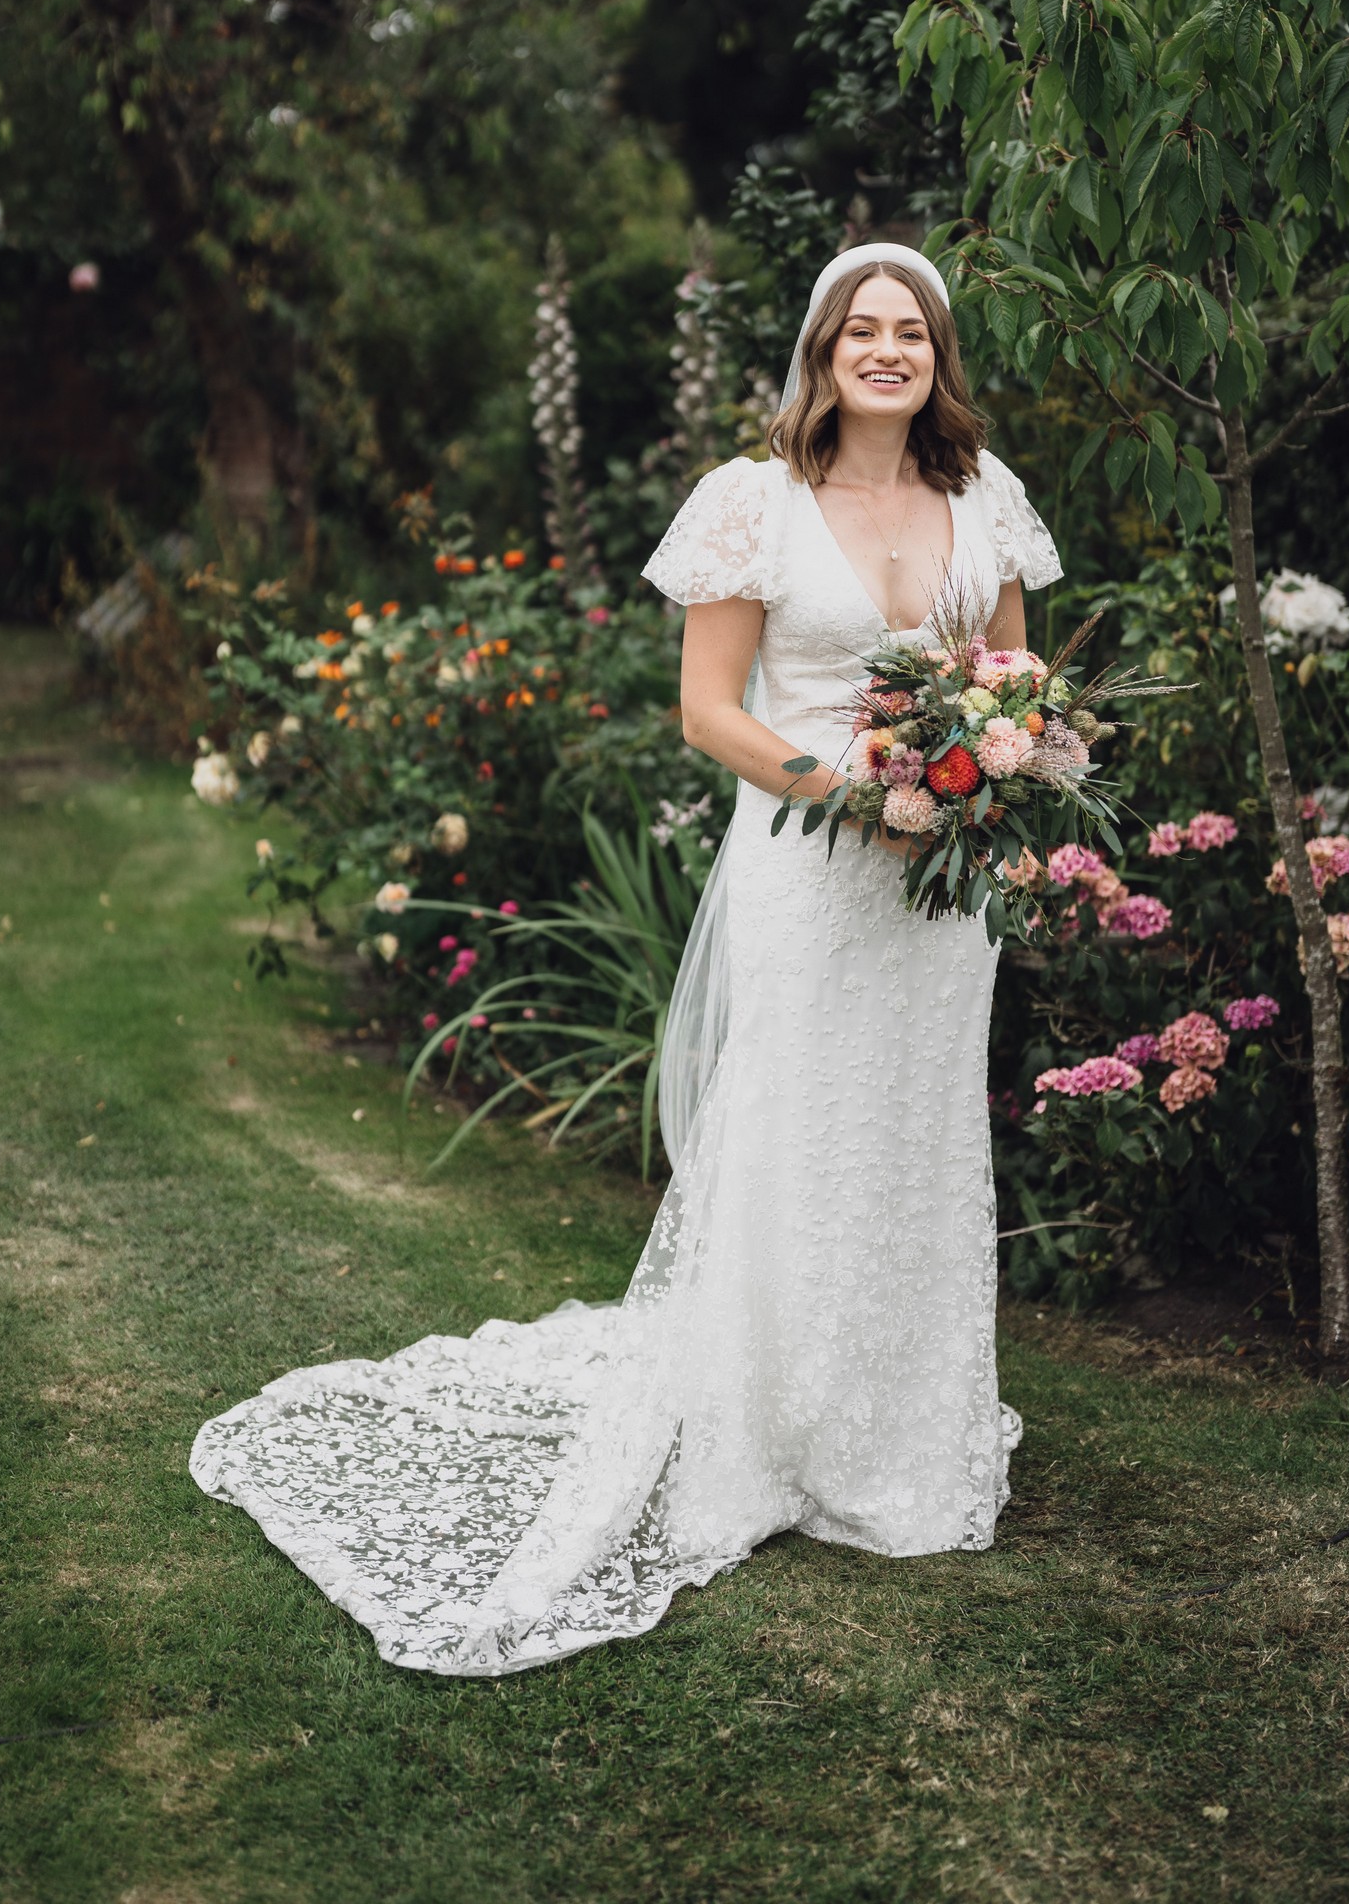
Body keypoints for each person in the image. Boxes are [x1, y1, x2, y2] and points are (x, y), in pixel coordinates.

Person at [190, 241, 1062, 1676]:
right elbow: (709, 712)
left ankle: (901, 1425)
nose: (889, 350)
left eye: (913, 330)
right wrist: (849, 790)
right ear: (824, 353)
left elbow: (1019, 679)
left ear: (938, 358)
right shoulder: (754, 504)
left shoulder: (986, 496)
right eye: (864, 330)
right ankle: (764, 1422)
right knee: (799, 1130)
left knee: (910, 1138)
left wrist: (1012, 782)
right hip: (815, 866)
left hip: (940, 898)